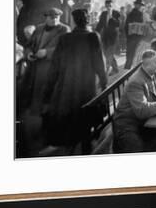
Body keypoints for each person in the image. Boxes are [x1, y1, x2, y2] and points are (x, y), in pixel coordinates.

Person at [40, 9, 107, 156]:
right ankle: (85, 148)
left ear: (74, 21)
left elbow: (54, 68)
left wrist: (48, 92)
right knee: (86, 116)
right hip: (87, 85)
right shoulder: (93, 37)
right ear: (87, 20)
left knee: (71, 117)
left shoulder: (65, 38)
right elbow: (100, 64)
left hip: (67, 86)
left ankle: (70, 149)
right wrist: (104, 84)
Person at [18, 7, 70, 157]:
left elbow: (64, 48)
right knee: (34, 97)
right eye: (50, 17)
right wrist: (29, 55)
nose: (54, 20)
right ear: (45, 17)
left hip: (52, 69)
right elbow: (29, 46)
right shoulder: (39, 28)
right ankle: (36, 124)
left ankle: (47, 129)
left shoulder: (64, 30)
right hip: (35, 69)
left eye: (56, 17)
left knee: (48, 98)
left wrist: (46, 52)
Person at [112, 50, 156, 152]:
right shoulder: (136, 82)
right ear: (146, 65)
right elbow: (141, 110)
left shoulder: (153, 72)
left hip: (143, 120)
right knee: (138, 149)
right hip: (127, 124)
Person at [124, 0, 146, 69]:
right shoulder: (132, 14)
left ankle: (129, 70)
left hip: (135, 37)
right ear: (135, 5)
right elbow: (127, 26)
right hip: (132, 37)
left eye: (140, 5)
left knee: (132, 55)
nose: (139, 6)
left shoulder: (139, 13)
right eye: (137, 5)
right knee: (131, 55)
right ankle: (127, 71)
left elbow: (141, 26)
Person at [102, 10, 121, 76]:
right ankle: (115, 69)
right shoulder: (114, 30)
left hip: (107, 45)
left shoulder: (107, 29)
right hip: (110, 45)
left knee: (109, 58)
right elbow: (115, 39)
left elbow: (103, 38)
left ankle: (107, 72)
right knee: (110, 57)